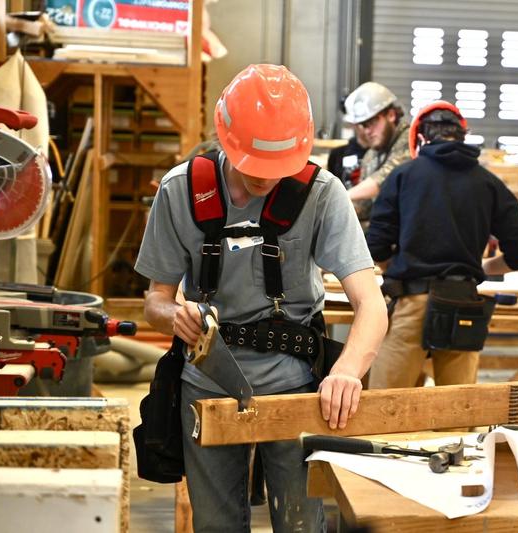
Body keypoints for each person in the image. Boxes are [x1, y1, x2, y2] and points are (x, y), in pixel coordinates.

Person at [135, 64, 388, 533]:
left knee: (301, 523)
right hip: (207, 386)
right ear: (225, 137)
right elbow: (154, 300)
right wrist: (174, 315)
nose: (266, 180)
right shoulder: (181, 191)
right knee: (217, 525)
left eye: (279, 169)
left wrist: (348, 372)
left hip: (296, 388)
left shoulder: (321, 194)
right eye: (254, 167)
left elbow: (372, 304)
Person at [365, 101, 518, 389]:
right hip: (463, 304)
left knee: (385, 411)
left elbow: (376, 246)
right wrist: (481, 267)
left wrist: (395, 267)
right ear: (462, 135)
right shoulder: (488, 183)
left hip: (411, 303)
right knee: (457, 413)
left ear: (420, 138)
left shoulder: (404, 176)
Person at [342, 81, 412, 221]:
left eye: (373, 121)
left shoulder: (409, 140)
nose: (367, 131)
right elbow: (363, 207)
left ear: (391, 115)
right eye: (364, 125)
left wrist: (340, 196)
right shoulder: (371, 154)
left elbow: (384, 181)